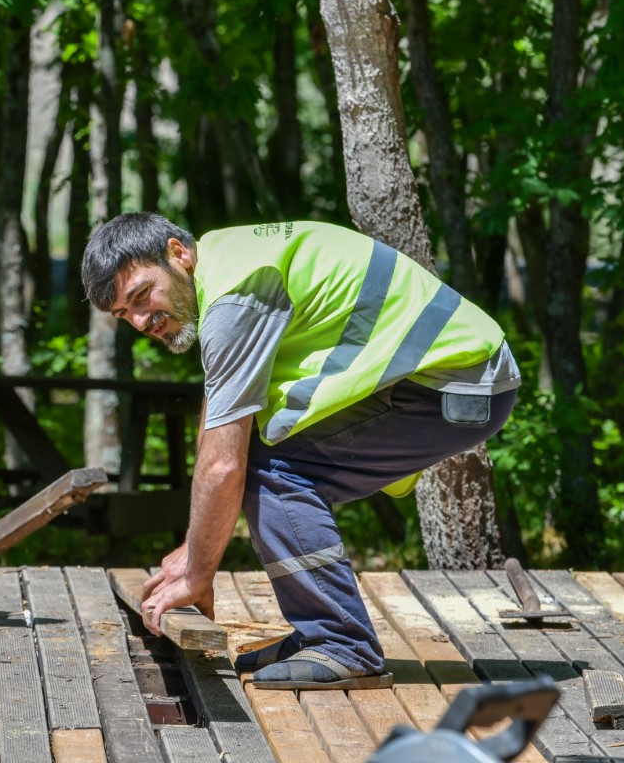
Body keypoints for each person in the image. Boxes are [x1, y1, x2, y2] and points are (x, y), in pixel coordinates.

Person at [81, 213, 518, 690]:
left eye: (143, 296)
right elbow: (220, 417)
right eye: (126, 315)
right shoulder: (225, 259)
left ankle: (341, 644)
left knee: (270, 470)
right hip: (456, 374)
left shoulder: (235, 297)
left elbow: (225, 464)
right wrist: (193, 547)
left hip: (460, 383)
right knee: (262, 461)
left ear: (176, 253)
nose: (143, 321)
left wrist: (198, 573)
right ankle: (322, 633)